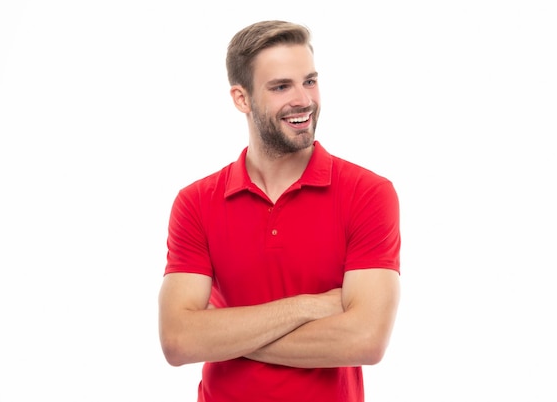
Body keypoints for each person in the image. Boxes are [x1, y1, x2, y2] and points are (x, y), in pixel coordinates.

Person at [158, 20, 401, 402]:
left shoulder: (367, 193)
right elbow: (178, 340)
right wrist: (310, 306)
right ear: (242, 99)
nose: (303, 99)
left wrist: (220, 336)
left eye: (309, 81)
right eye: (280, 86)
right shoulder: (196, 202)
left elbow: (366, 339)